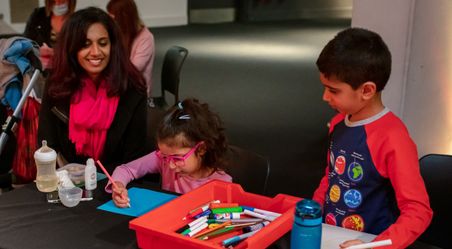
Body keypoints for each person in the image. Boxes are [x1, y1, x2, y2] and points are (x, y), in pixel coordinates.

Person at [312, 27, 433, 249]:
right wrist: (312, 209)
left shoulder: (393, 138)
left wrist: (378, 245)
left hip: (369, 243)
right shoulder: (338, 123)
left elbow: (418, 210)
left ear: (367, 91)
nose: (325, 97)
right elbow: (332, 177)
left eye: (334, 90)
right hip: (331, 235)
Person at [37, 7, 147, 174]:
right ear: (71, 48)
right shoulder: (57, 85)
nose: (96, 52)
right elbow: (47, 145)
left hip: (117, 184)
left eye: (103, 43)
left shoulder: (132, 87)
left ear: (113, 45)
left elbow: (135, 158)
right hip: (69, 182)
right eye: (85, 44)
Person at [106, 98, 232, 208]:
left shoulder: (222, 185)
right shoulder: (163, 159)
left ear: (202, 149)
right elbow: (126, 170)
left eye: (177, 158)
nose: (170, 165)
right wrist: (118, 185)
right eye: (166, 156)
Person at [107, 0, 155, 107]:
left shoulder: (146, 38)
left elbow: (133, 71)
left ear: (123, 19)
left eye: (112, 18)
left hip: (138, 95)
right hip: (123, 87)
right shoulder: (121, 33)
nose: (110, 22)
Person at [23, 0, 77, 70]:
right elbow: (25, 42)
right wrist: (37, 51)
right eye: (54, 1)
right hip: (40, 70)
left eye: (62, 1)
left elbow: (78, 51)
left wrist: (55, 53)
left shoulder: (76, 21)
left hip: (67, 70)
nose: (57, 4)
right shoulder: (38, 15)